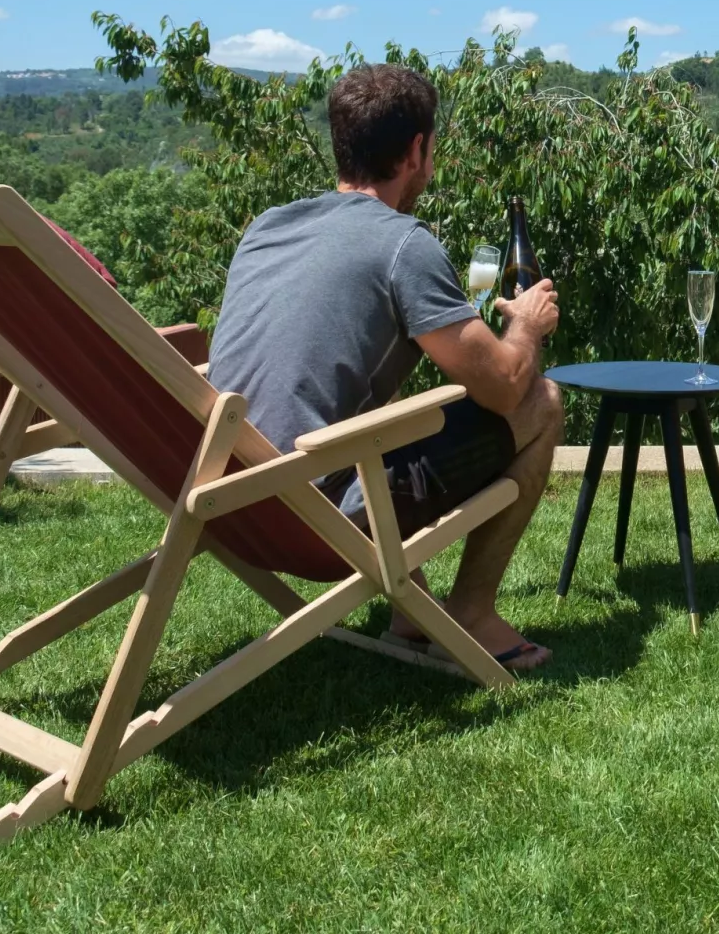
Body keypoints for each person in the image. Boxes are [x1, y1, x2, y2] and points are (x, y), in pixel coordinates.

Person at [208, 64, 563, 672]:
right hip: (317, 515)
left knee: (379, 413)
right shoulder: (403, 244)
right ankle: (472, 612)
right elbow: (505, 388)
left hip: (227, 497)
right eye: (432, 149)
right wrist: (527, 326)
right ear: (416, 150)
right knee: (543, 401)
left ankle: (409, 610)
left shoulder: (267, 227)